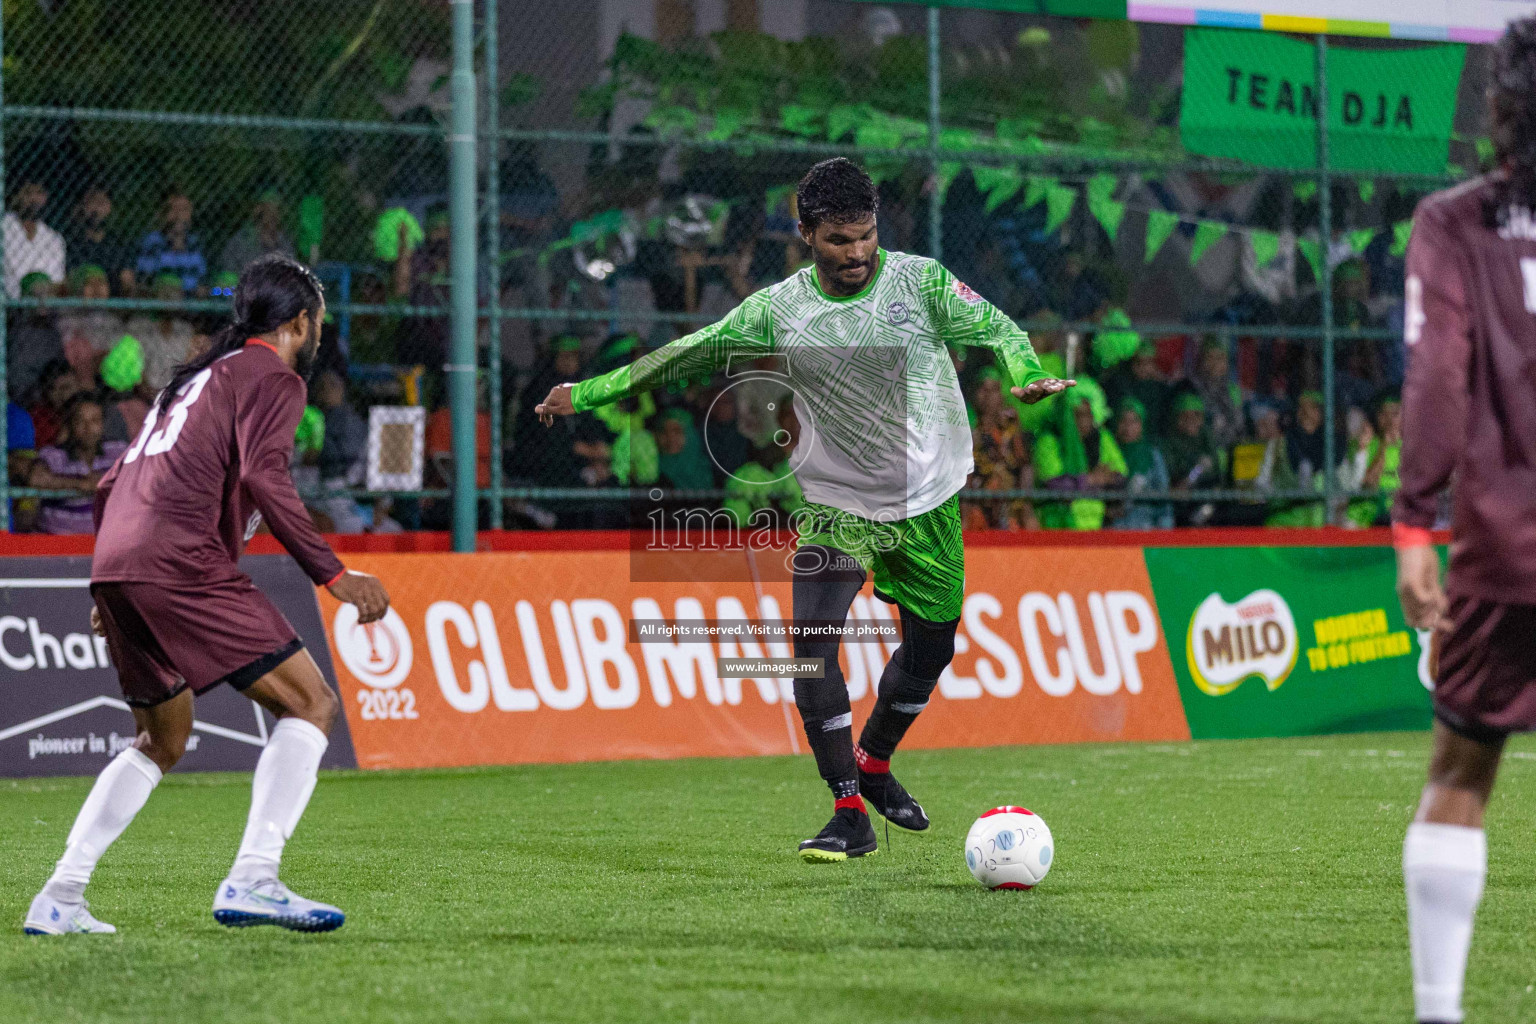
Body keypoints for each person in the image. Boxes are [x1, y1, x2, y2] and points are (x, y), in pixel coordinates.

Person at [536, 158, 1072, 860]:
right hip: (836, 503)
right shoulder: (778, 310)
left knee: (931, 651)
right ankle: (847, 807)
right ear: (805, 233)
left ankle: (876, 764)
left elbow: (1000, 328)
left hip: (929, 502)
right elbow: (686, 353)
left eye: (866, 236)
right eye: (840, 240)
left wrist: (1025, 375)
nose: (856, 253)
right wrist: (587, 392)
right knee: (810, 653)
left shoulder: (922, 282)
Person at [24, 255, 389, 936]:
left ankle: (61, 896)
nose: (318, 337)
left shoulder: (190, 384)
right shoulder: (273, 378)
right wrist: (333, 574)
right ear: (300, 321)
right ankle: (255, 877)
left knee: (162, 736)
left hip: (122, 562)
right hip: (178, 559)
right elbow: (266, 477)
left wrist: (109, 587)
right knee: (311, 704)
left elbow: (109, 486)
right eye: (318, 322)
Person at [1392, 20, 1536, 1024]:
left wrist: (1412, 523)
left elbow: (1440, 375)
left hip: (1506, 542)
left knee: (1461, 769)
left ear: (1500, 109)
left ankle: (1440, 1012)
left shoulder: (1456, 224)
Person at [1032, 380, 1126, 531]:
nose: (1084, 420)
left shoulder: (1102, 437)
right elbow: (1054, 484)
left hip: (1097, 525)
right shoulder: (1049, 441)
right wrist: (1091, 479)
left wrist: (1082, 482)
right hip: (1058, 525)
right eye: (1078, 415)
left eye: (1088, 414)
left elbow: (1120, 475)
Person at [30, 395, 126, 535]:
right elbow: (36, 479)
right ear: (70, 425)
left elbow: (139, 477)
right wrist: (82, 484)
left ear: (103, 424)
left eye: (94, 421)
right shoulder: (55, 454)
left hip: (103, 541)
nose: (88, 428)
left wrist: (106, 481)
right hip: (55, 540)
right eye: (80, 421)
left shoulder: (116, 450)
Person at [125, 273, 197, 392]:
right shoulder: (137, 327)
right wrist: (149, 392)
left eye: (175, 293)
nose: (170, 297)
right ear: (154, 295)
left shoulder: (186, 330)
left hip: (177, 394)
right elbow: (132, 370)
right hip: (143, 395)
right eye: (165, 292)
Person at [1111, 397, 1172, 530]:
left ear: (1142, 424)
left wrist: (1165, 531)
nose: (1128, 427)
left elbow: (1163, 496)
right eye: (1123, 421)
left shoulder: (1152, 456)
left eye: (1134, 421)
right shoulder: (1108, 452)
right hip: (1113, 532)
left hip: (1145, 529)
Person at [3, 179, 65, 300]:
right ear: (15, 196)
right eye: (28, 193)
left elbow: (57, 282)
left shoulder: (54, 239)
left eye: (39, 193)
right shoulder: (3, 228)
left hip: (45, 306)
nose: (34, 199)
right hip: (8, 305)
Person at [134, 190, 207, 294]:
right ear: (163, 214)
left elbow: (202, 280)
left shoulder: (194, 243)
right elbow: (145, 280)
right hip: (164, 300)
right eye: (173, 209)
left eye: (184, 210)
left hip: (193, 300)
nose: (179, 215)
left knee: (226, 290)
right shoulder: (153, 241)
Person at [64, 187, 134, 294]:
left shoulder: (118, 244)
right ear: (82, 206)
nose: (96, 209)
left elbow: (127, 280)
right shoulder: (70, 241)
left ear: (109, 207)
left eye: (101, 203)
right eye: (92, 202)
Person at [220, 190, 295, 276]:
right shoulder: (242, 239)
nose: (273, 215)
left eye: (277, 210)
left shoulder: (284, 242)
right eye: (269, 210)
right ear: (258, 211)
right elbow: (228, 270)